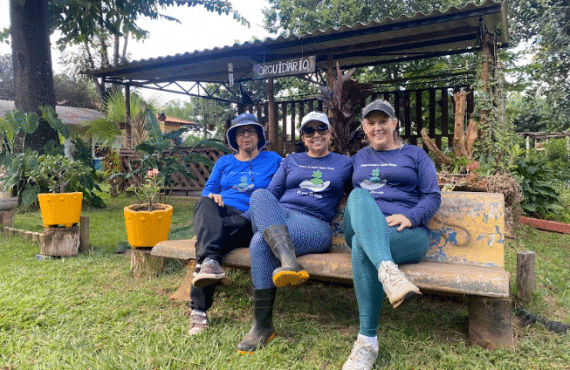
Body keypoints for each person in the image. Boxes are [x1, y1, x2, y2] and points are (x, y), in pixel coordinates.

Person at [236, 111, 353, 353]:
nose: (316, 134)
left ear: (330, 133)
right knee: (259, 194)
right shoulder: (291, 161)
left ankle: (262, 325)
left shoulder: (344, 163)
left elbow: (364, 191)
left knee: (259, 241)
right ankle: (288, 265)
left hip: (315, 225)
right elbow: (271, 194)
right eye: (309, 130)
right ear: (303, 136)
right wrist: (235, 225)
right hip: (281, 216)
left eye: (321, 128)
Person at [341, 100, 441, 370]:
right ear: (364, 127)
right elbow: (326, 182)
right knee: (360, 195)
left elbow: (432, 195)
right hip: (360, 224)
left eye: (382, 121)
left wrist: (411, 216)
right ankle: (389, 272)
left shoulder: (415, 155)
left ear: (395, 123)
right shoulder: (358, 158)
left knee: (364, 247)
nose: (377, 127)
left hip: (406, 233)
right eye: (371, 123)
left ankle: (367, 342)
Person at [188, 112, 282, 335]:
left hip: (251, 217)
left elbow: (283, 188)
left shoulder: (274, 160)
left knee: (208, 241)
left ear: (258, 135)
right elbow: (208, 189)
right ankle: (210, 261)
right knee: (204, 202)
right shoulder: (224, 162)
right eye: (240, 132)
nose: (246, 136)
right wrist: (213, 196)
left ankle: (198, 310)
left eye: (250, 131)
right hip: (221, 212)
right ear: (234, 139)